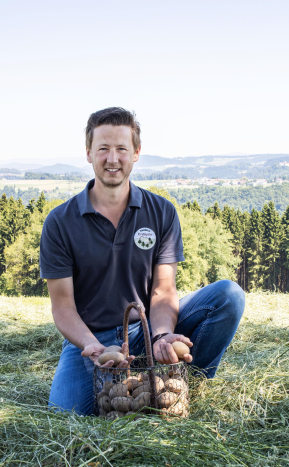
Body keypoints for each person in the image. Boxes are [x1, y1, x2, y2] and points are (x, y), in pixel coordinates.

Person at [40, 107, 245, 415]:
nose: (112, 159)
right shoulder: (60, 222)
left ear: (136, 152)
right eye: (103, 149)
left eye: (121, 148)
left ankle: (181, 382)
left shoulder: (161, 211)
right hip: (92, 339)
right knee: (65, 414)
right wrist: (93, 346)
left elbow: (163, 290)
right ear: (88, 154)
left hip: (147, 327)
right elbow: (63, 307)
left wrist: (162, 334)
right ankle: (128, 379)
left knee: (229, 296)